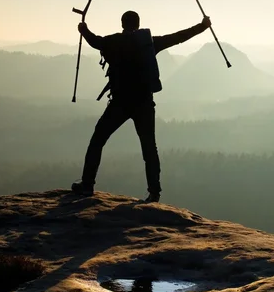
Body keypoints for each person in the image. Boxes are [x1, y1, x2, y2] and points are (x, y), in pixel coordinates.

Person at [71, 10, 212, 202]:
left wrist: (83, 29)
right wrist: (202, 27)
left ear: (122, 24)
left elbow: (95, 41)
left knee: (98, 139)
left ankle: (87, 185)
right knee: (149, 147)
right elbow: (178, 37)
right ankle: (154, 192)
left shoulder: (113, 42)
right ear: (138, 24)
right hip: (144, 103)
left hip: (120, 103)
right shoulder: (148, 43)